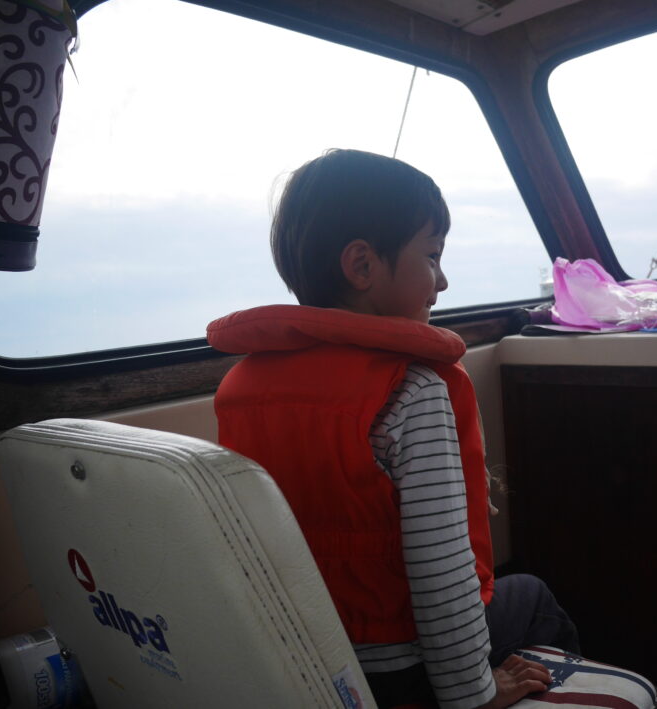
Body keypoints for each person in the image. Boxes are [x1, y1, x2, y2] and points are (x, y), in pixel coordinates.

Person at [207, 149, 579, 709]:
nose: (442, 281)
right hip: (401, 670)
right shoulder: (412, 391)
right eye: (432, 256)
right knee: (532, 594)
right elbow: (443, 577)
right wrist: (475, 693)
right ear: (361, 266)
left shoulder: (240, 386)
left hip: (310, 657)